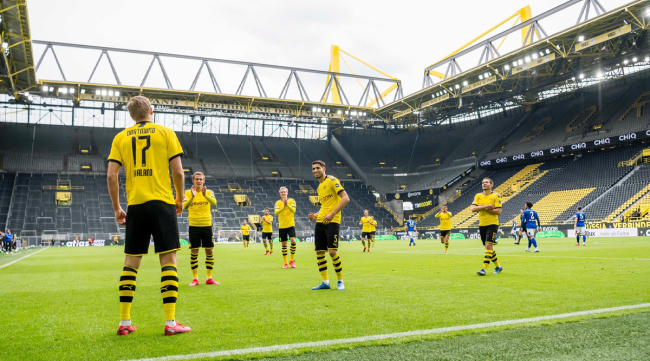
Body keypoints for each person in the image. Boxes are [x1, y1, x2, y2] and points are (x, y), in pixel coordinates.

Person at [107, 96, 190, 336]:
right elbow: (178, 171)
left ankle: (124, 322)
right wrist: (179, 198)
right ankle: (171, 323)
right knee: (168, 261)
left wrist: (117, 208)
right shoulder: (166, 132)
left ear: (131, 116)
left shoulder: (120, 138)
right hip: (162, 203)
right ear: (151, 111)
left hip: (136, 206)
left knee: (131, 264)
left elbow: (112, 176)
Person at [308, 160, 349, 291]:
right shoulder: (319, 188)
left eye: (318, 168)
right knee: (319, 252)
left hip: (333, 220)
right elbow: (324, 206)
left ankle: (340, 281)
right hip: (320, 221)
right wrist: (315, 215)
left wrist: (332, 214)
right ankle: (325, 282)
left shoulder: (332, 180)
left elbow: (345, 198)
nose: (315, 170)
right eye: (313, 169)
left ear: (324, 168)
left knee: (332, 252)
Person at [183, 171, 219, 287]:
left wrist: (205, 195)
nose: (198, 181)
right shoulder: (188, 193)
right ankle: (195, 279)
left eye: (200, 179)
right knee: (194, 251)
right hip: (194, 225)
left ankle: (209, 278)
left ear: (204, 181)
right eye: (196, 179)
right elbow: (184, 207)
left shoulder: (209, 192)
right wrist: (192, 197)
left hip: (207, 225)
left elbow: (214, 202)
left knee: (209, 251)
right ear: (193, 180)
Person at [471, 177, 503, 276]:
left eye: (487, 182)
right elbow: (473, 209)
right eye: (483, 182)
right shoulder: (478, 196)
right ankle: (498, 266)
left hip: (492, 224)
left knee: (488, 246)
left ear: (491, 185)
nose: (484, 184)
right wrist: (486, 207)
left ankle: (484, 269)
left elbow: (498, 211)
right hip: (482, 224)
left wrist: (481, 208)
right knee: (488, 248)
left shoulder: (496, 196)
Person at [275, 187, 298, 268]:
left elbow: (293, 210)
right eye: (282, 192)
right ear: (280, 194)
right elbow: (276, 212)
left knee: (293, 241)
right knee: (284, 244)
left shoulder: (292, 201)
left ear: (287, 193)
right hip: (282, 226)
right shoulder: (277, 202)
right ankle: (285, 263)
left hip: (291, 225)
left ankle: (291, 260)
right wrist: (284, 207)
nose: (283, 193)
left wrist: (287, 204)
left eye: (284, 192)